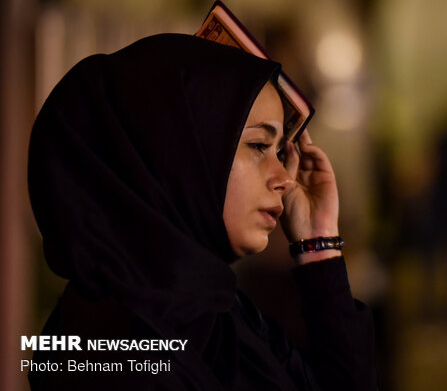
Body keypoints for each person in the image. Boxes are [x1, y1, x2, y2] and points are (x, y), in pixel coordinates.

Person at [27, 34, 376, 390]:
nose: (285, 179)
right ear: (179, 155)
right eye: (258, 145)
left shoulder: (221, 317)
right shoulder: (107, 357)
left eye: (280, 153)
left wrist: (319, 243)